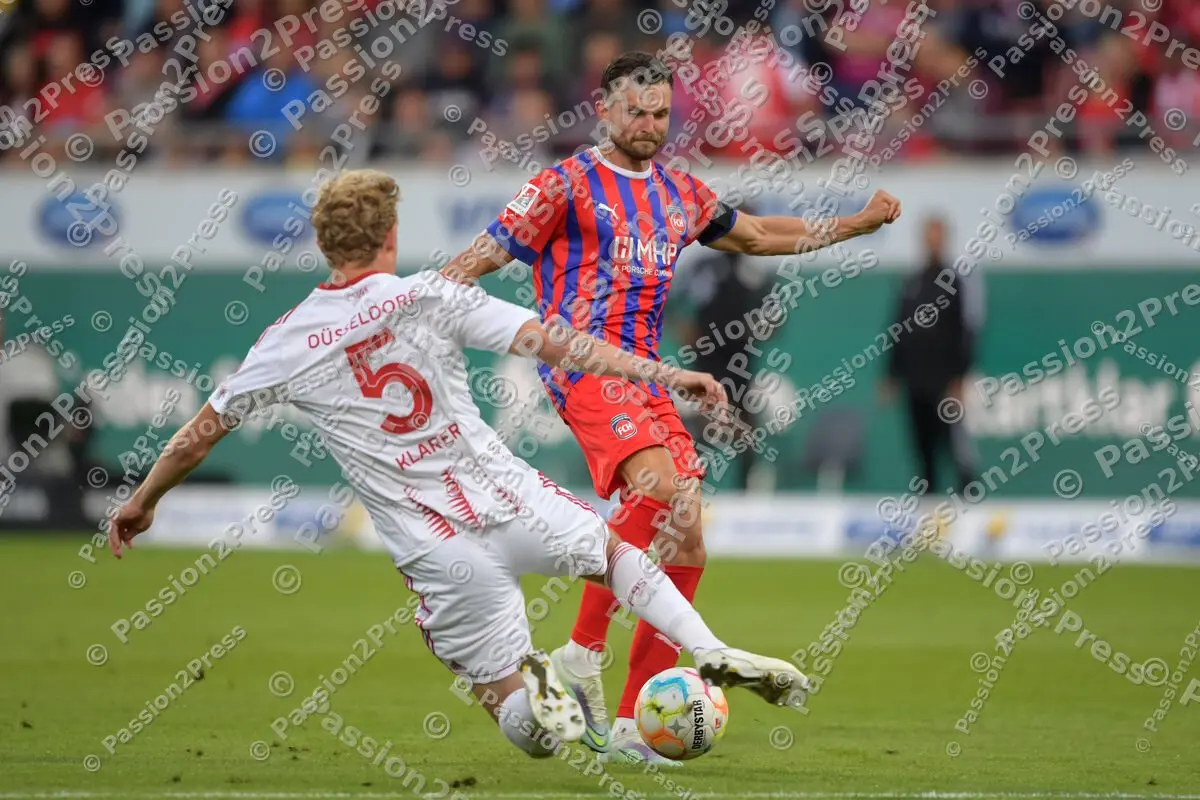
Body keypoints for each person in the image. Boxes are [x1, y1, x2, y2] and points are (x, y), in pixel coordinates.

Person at [107, 169, 810, 760]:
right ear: (390, 236)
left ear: (324, 243)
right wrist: (662, 373)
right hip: (505, 497)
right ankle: (706, 644)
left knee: (523, 725)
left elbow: (196, 437)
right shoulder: (430, 295)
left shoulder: (286, 341)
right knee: (615, 555)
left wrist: (143, 501)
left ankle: (531, 687)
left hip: (433, 545)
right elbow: (558, 343)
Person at [439, 51, 902, 764]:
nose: (651, 124)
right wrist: (403, 308)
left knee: (686, 533)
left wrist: (853, 226)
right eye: (637, 111)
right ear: (606, 111)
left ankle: (629, 723)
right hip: (584, 366)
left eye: (661, 113)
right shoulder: (563, 184)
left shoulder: (678, 193)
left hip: (651, 376)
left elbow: (756, 235)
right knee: (659, 487)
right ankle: (579, 653)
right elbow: (477, 259)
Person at [880, 215, 983, 496]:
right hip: (915, 378)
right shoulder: (911, 281)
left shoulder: (954, 282)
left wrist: (960, 377)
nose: (932, 241)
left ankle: (969, 493)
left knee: (953, 441)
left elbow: (964, 331)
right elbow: (898, 328)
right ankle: (928, 504)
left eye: (937, 235)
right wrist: (891, 374)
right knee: (921, 444)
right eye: (929, 235)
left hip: (944, 380)